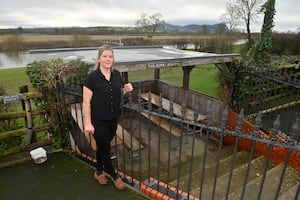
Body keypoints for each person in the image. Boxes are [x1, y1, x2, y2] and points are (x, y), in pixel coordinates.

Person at [82, 44, 133, 190]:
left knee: (102, 146)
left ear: (113, 59)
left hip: (113, 119)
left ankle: (98, 171)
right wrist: (88, 123)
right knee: (105, 149)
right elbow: (86, 103)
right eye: (104, 56)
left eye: (110, 56)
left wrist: (126, 90)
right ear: (99, 59)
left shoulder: (117, 75)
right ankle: (114, 176)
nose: (108, 59)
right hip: (98, 121)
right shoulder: (91, 78)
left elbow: (116, 94)